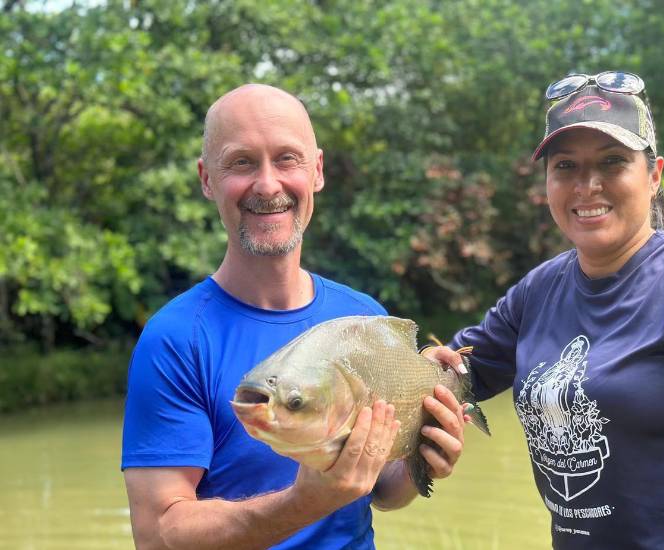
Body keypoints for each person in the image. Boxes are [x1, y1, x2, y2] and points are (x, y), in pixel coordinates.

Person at [425, 70, 664, 549]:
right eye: (565, 166)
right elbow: (462, 368)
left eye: (612, 162)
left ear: (654, 176)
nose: (587, 185)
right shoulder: (539, 290)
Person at [121, 83, 467, 550]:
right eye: (241, 162)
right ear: (206, 179)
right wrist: (305, 502)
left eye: (287, 158)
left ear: (317, 170)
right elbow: (157, 536)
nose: (268, 185)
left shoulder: (363, 320)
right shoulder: (176, 339)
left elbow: (384, 490)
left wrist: (424, 456)